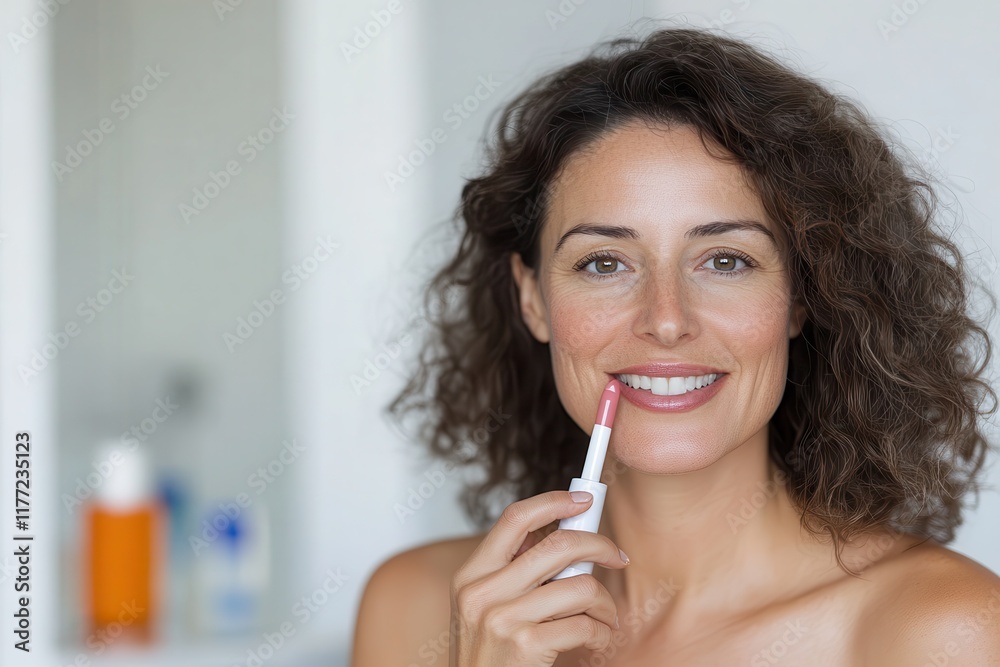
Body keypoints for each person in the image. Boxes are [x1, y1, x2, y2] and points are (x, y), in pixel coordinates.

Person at [351, 25, 1000, 666]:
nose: (666, 320)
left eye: (725, 260)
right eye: (605, 263)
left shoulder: (943, 631)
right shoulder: (418, 608)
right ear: (532, 299)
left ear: (802, 295)